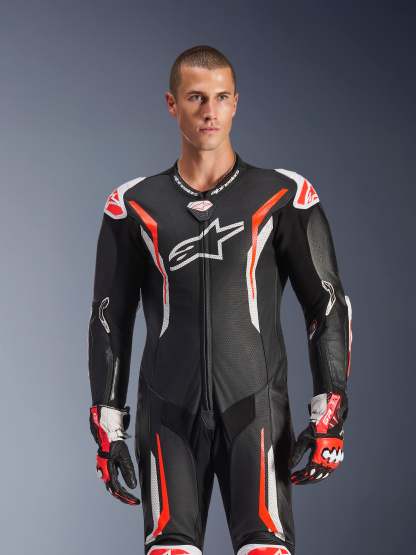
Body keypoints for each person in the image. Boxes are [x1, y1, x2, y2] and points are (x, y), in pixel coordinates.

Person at [88, 45, 353, 555]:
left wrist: (330, 411)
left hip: (256, 410)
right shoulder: (133, 204)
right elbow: (109, 319)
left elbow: (326, 305)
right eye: (196, 98)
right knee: (170, 550)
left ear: (236, 103)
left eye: (221, 97)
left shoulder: (283, 194)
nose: (210, 111)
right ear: (172, 104)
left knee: (266, 549)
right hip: (167, 414)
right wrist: (108, 424)